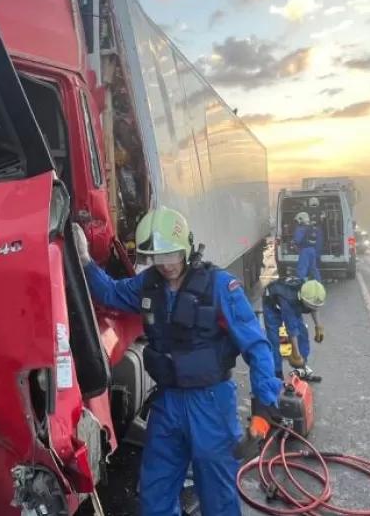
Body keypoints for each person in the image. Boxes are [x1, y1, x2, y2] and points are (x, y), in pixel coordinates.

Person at [72, 206, 283, 516]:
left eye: (172, 254)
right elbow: (111, 293)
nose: (166, 264)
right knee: (155, 493)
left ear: (186, 248)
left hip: (211, 405)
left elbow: (256, 345)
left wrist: (263, 410)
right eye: (158, 257)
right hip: (168, 403)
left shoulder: (219, 286)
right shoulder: (148, 285)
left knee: (219, 499)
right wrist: (84, 260)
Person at [262, 277, 326, 381]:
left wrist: (318, 326)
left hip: (294, 302)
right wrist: (296, 354)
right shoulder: (289, 299)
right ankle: (277, 374)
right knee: (274, 339)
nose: (312, 309)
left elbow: (314, 307)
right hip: (272, 303)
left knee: (302, 333)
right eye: (310, 306)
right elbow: (291, 329)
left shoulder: (311, 291)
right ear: (302, 299)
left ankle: (301, 369)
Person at [292, 212, 323, 281]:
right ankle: (318, 282)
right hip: (312, 250)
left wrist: (293, 242)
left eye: (297, 221)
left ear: (301, 219)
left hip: (305, 251)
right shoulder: (312, 228)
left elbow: (297, 240)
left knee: (302, 269)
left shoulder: (300, 229)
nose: (297, 223)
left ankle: (301, 284)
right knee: (313, 268)